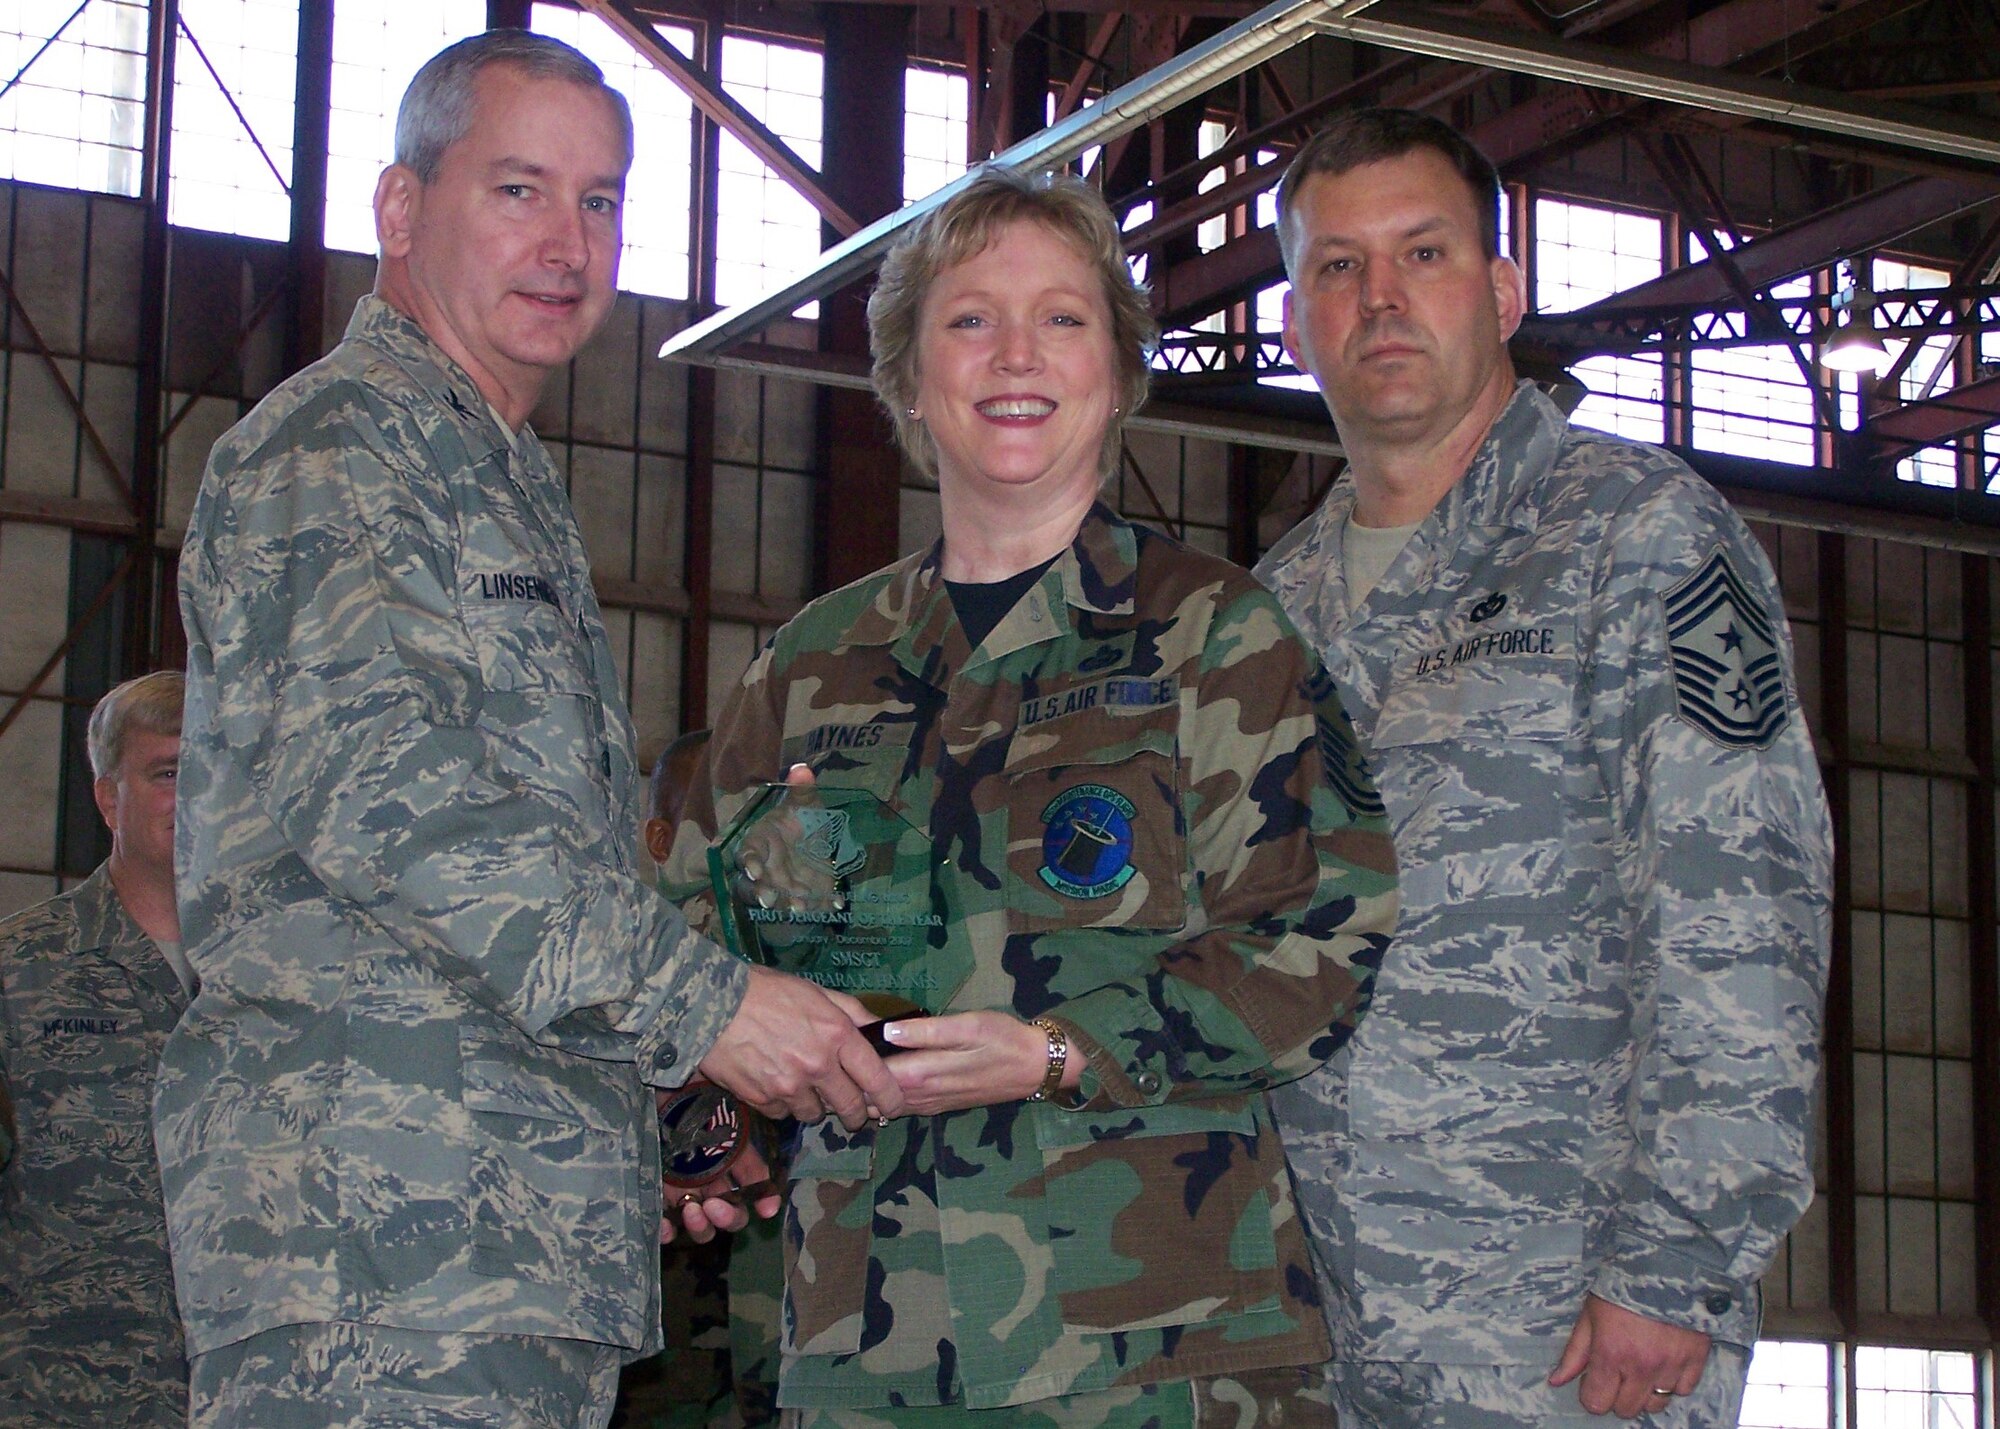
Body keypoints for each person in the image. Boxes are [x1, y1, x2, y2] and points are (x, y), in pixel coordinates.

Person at [161, 30, 901, 1429]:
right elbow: (396, 802)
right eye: (519, 190)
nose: (569, 241)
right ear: (399, 208)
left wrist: (640, 1111)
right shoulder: (345, 447)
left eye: (602, 200)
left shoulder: (490, 473)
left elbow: (528, 885)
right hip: (377, 1253)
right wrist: (711, 1006)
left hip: (491, 1242)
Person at [662, 167, 1398, 1426]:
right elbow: (696, 952)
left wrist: (1061, 1049)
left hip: (1158, 1358)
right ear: (907, 372)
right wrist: (713, 1113)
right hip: (866, 1355)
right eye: (968, 319)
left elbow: (1318, 938)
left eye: (1061, 317)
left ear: (1115, 372)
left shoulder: (1213, 637)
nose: (1015, 354)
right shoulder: (807, 668)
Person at [1258, 107, 1834, 1429]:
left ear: (1504, 290)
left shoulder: (1641, 536)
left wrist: (1676, 1260)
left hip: (1565, 1322)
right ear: (1296, 322)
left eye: (1425, 254)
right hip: (1315, 1324)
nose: (1381, 299)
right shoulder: (1266, 610)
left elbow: (1740, 910)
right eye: (1337, 267)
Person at [1, 670, 193, 1427]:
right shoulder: (21, 972)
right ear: (110, 796)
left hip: (243, 1398)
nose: (196, 796)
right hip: (58, 1397)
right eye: (169, 772)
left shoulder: (284, 983)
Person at [619, 729, 782, 1429]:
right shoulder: (626, 965)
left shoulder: (785, 950)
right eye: (712, 824)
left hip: (763, 1320)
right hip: (662, 1337)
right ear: (662, 839)